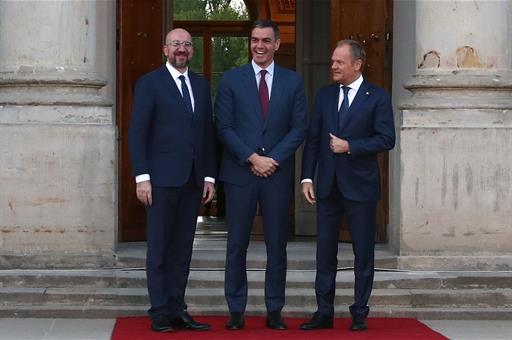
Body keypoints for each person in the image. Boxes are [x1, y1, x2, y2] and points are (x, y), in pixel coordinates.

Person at [215, 20, 307, 330]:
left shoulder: (293, 82)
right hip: (240, 173)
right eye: (255, 40)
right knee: (236, 244)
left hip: (277, 175)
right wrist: (253, 157)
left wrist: (273, 159)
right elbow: (223, 127)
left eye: (266, 40)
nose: (259, 46)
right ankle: (236, 311)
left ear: (277, 44)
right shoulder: (231, 80)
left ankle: (274, 310)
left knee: (277, 245)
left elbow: (299, 128)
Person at [299, 39, 395, 331]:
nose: (333, 66)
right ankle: (323, 312)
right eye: (332, 62)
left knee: (363, 253)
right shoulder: (325, 95)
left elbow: (386, 139)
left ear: (357, 63)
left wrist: (350, 146)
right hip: (327, 186)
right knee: (324, 252)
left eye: (339, 62)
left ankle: (359, 313)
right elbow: (314, 140)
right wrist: (306, 177)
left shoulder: (377, 97)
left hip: (361, 188)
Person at [128, 28, 216, 333]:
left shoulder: (202, 85)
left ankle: (178, 309)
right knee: (159, 249)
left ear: (192, 51)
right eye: (176, 44)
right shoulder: (150, 84)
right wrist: (142, 178)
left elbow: (206, 133)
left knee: (182, 250)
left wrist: (208, 175)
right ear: (165, 49)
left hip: (192, 181)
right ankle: (159, 311)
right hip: (160, 182)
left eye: (187, 45)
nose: (182, 49)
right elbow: (138, 133)